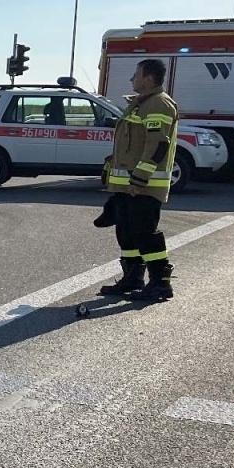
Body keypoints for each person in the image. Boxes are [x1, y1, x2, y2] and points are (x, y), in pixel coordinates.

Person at [97, 59, 178, 301]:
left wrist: (140, 179)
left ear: (149, 78)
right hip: (127, 187)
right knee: (127, 234)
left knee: (145, 234)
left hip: (143, 188)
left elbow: (158, 145)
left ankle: (160, 284)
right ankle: (132, 278)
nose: (132, 79)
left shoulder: (158, 104)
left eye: (136, 74)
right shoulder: (139, 105)